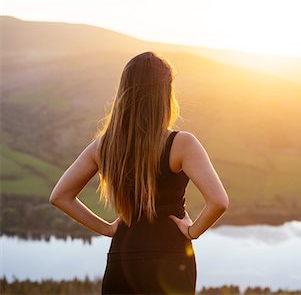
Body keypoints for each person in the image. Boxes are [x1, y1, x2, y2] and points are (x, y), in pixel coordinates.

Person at [49, 51, 230, 294]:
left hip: (122, 256)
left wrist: (108, 229)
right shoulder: (181, 144)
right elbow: (218, 202)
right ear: (165, 94)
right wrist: (191, 231)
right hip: (171, 258)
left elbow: (60, 196)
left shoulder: (104, 146)